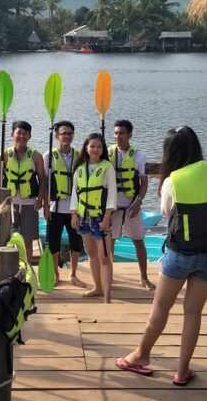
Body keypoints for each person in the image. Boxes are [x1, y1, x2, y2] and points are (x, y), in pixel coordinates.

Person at [116, 126, 207, 385]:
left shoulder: (173, 180)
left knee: (161, 307)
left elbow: (167, 211)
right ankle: (182, 371)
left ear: (170, 152)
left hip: (181, 252)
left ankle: (140, 356)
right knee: (193, 312)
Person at [70, 133, 117, 303]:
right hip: (83, 215)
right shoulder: (80, 168)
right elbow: (75, 194)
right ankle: (97, 287)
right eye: (92, 146)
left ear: (102, 149)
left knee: (104, 256)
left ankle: (107, 293)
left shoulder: (107, 167)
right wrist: (73, 214)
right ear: (86, 148)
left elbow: (112, 194)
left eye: (98, 146)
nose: (95, 149)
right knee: (90, 252)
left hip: (100, 216)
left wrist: (107, 217)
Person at [109, 119, 154, 290]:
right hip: (112, 207)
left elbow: (144, 183)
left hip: (131, 205)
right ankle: (109, 276)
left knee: (138, 241)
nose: (117, 136)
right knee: (110, 242)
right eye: (115, 133)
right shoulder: (107, 153)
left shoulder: (139, 156)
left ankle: (144, 277)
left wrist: (138, 203)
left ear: (129, 135)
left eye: (121, 133)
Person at [45, 120, 87, 288]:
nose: (67, 136)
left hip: (75, 208)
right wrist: (45, 205)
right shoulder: (48, 156)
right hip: (55, 206)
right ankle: (56, 274)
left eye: (70, 133)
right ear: (56, 136)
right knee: (53, 241)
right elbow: (45, 182)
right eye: (63, 133)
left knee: (76, 241)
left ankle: (73, 274)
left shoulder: (79, 155)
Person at [0, 120, 48, 258]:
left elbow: (42, 180)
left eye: (25, 133)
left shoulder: (36, 156)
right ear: (12, 134)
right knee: (8, 238)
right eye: (18, 133)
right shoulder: (5, 155)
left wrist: (40, 200)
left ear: (30, 136)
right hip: (10, 203)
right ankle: (10, 268)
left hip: (29, 202)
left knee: (28, 240)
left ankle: (26, 267)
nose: (22, 136)